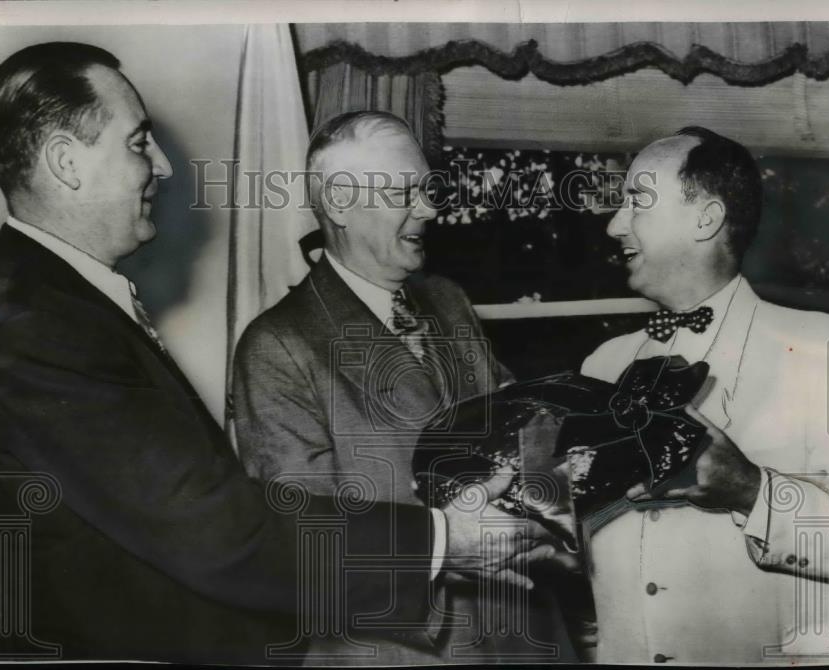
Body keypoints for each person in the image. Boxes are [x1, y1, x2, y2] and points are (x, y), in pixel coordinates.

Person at [0, 43, 542, 663]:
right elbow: (216, 531)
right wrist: (444, 538)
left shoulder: (52, 308)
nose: (164, 166)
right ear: (66, 162)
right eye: (138, 141)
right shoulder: (38, 324)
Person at [232, 111, 578, 663]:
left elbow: (526, 431)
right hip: (401, 650)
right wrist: (445, 539)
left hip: (524, 630)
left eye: (428, 188)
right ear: (340, 202)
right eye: (405, 192)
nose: (430, 209)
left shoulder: (447, 300)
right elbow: (301, 540)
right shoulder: (277, 345)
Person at [577, 126, 829, 663]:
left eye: (637, 201)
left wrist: (753, 490)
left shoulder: (826, 346)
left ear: (705, 218)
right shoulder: (602, 364)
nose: (615, 225)